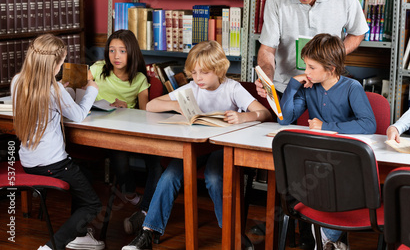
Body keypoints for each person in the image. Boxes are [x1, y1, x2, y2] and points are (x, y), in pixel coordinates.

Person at [122, 40, 272, 250]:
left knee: (213, 176)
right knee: (169, 176)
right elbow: (151, 105)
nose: (198, 78)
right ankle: (148, 233)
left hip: (223, 148)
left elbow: (265, 113)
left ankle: (233, 236)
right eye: (194, 72)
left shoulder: (232, 88)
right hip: (195, 147)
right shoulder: (192, 87)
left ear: (218, 70)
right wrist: (176, 104)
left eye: (204, 73)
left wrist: (245, 116)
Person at [278, 34, 376, 250]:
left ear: (331, 68)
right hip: (318, 157)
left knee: (331, 182)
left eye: (312, 67)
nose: (307, 72)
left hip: (346, 158)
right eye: (306, 66)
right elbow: (284, 119)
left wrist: (325, 126)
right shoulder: (309, 87)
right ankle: (330, 241)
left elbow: (368, 124)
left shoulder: (352, 87)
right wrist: (292, 87)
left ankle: (327, 240)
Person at [12, 34, 104, 250]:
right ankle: (52, 246)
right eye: (61, 63)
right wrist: (92, 89)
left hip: (29, 161)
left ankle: (79, 236)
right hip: (54, 165)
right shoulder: (55, 90)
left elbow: (42, 104)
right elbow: (79, 115)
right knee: (93, 204)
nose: (61, 66)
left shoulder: (18, 81)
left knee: (86, 176)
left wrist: (61, 87)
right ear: (52, 64)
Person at [256, 0, 369, 96]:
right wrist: (266, 78)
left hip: (328, 88)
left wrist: (332, 54)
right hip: (286, 87)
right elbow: (267, 48)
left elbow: (357, 32)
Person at [89, 29, 163, 235]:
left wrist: (126, 109)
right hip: (96, 126)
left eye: (122, 51)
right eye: (112, 50)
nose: (116, 56)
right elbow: (78, 92)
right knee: (117, 153)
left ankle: (140, 204)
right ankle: (129, 191)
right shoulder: (97, 69)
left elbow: (144, 113)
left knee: (153, 158)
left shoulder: (139, 79)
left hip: (125, 132)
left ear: (131, 52)